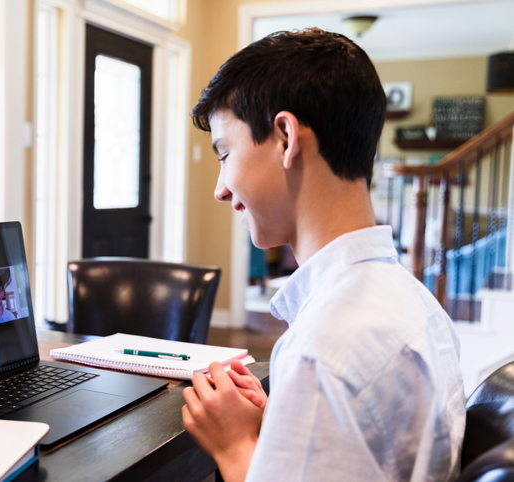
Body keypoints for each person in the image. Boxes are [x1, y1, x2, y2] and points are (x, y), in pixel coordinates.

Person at [181, 28, 465, 482]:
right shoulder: (417, 303)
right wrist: (282, 419)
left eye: (225, 153)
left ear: (285, 138)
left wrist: (234, 447)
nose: (220, 189)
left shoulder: (321, 352)